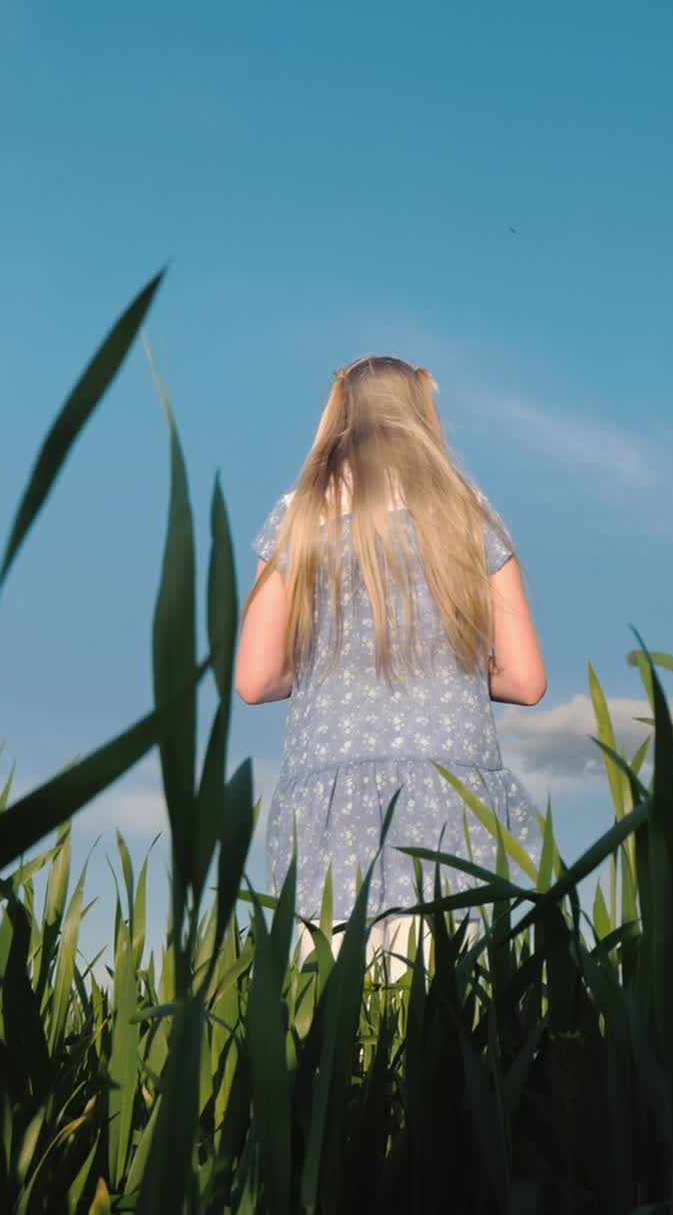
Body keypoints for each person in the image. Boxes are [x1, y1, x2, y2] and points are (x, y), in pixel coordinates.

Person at [235, 355, 546, 979]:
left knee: (335, 1024)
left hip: (330, 806)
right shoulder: (469, 513)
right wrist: (440, 658)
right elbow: (525, 680)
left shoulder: (300, 515)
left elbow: (254, 678)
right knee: (446, 1012)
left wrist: (337, 656)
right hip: (449, 799)